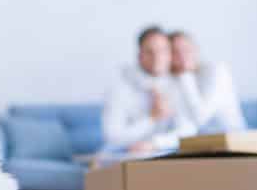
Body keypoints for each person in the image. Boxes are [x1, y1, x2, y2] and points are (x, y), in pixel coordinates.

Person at [102, 26, 196, 155]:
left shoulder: (178, 85)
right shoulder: (120, 88)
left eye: (162, 50)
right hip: (126, 153)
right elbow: (113, 137)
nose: (157, 57)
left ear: (170, 54)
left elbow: (188, 131)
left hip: (165, 152)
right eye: (149, 51)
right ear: (140, 55)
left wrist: (155, 143)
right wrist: (152, 118)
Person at [169, 31, 246, 133]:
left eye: (187, 50)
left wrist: (184, 75)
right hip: (197, 142)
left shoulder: (216, 70)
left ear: (196, 50)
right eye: (175, 52)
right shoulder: (174, 79)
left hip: (231, 137)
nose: (182, 56)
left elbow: (199, 118)